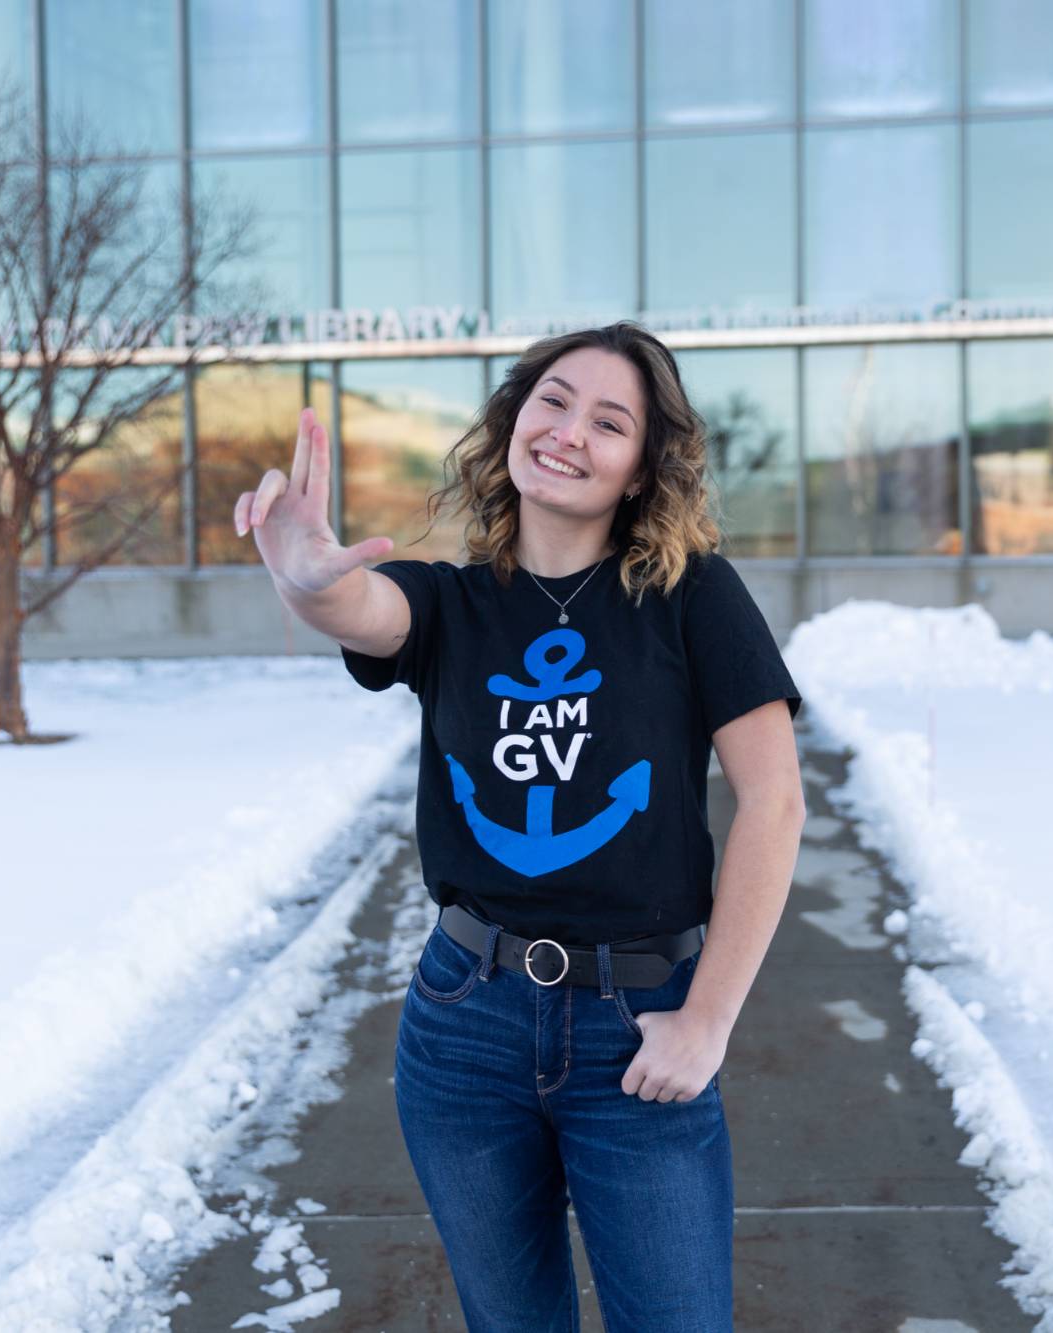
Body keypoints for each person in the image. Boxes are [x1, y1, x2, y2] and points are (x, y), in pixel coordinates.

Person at [233, 320, 807, 1331]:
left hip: (638, 1024)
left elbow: (774, 800)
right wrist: (303, 577)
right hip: (465, 1023)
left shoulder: (690, 595)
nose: (569, 432)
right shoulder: (452, 602)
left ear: (641, 468)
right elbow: (363, 607)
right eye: (552, 401)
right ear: (512, 421)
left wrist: (707, 1019)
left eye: (610, 422)